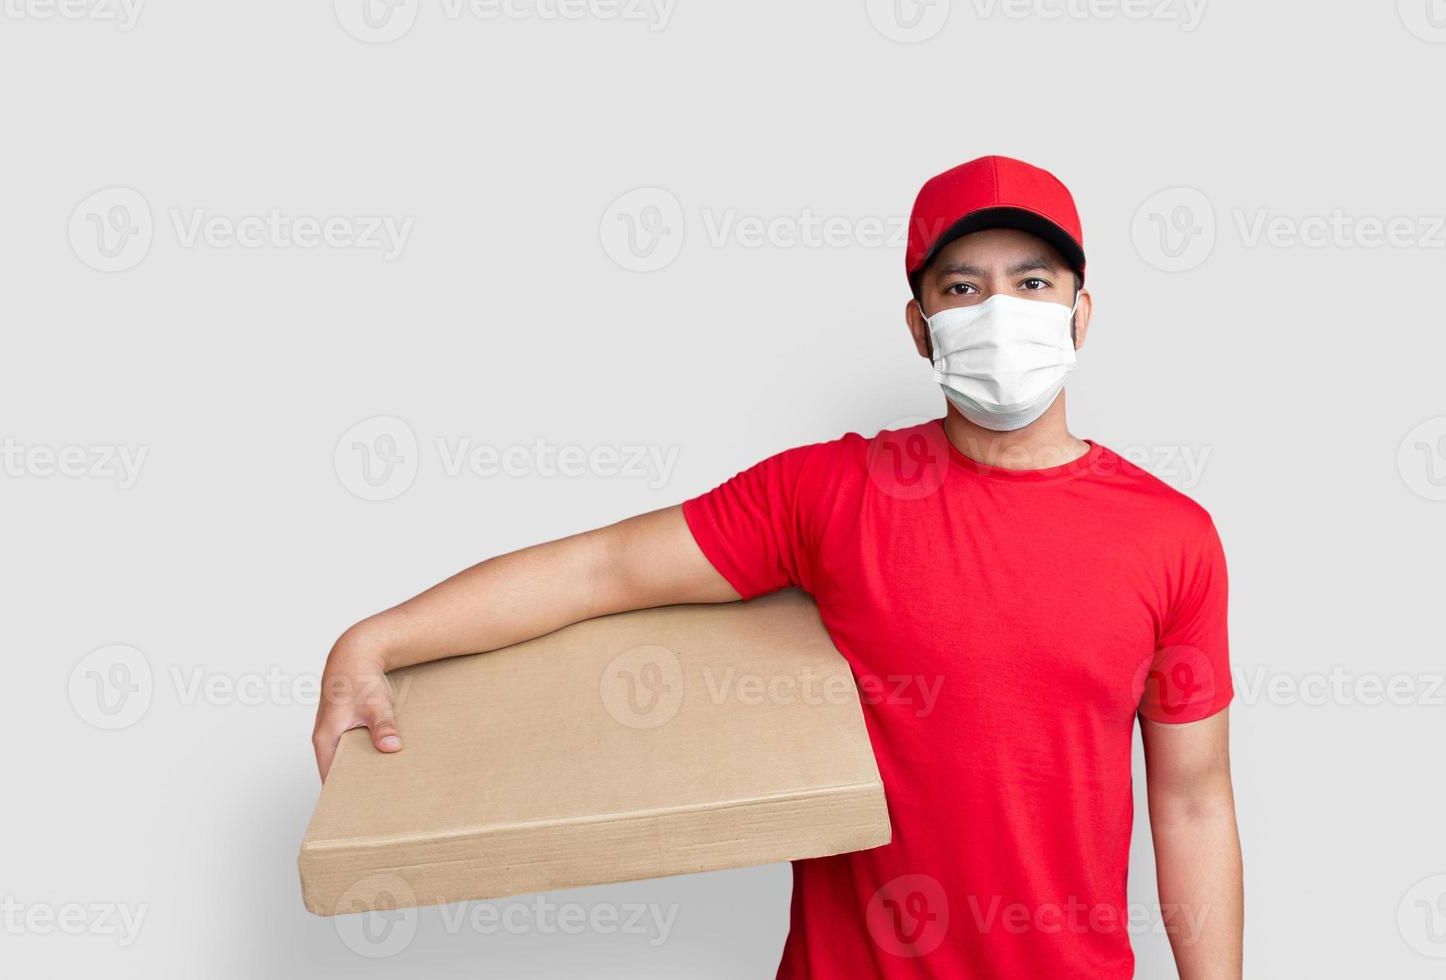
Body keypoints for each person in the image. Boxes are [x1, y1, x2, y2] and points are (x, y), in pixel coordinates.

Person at [312, 155, 1243, 979]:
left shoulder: (1173, 538)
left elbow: (1193, 801)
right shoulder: (832, 494)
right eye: (961, 289)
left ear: (1079, 313)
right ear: (921, 329)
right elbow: (603, 570)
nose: (999, 311)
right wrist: (375, 640)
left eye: (1031, 281)